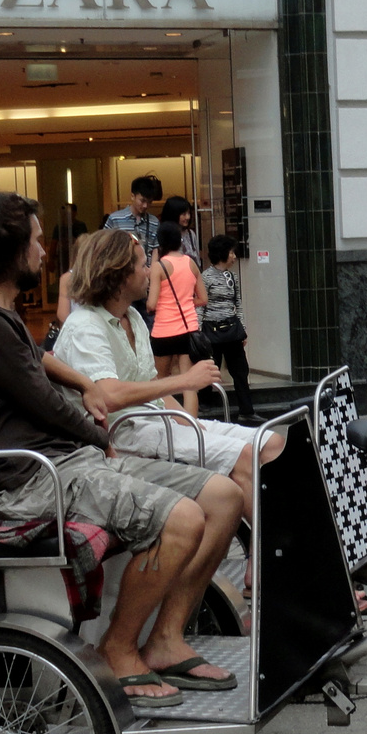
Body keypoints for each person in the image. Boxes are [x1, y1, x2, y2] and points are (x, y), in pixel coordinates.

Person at [0, 192, 241, 706]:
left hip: (69, 465)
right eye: (35, 241)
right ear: (8, 249)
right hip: (37, 480)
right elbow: (41, 402)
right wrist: (99, 433)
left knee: (224, 498)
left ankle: (166, 639)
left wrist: (84, 383)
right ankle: (119, 647)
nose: (43, 251)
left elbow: (39, 361)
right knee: (185, 519)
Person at [57, 228, 282, 530]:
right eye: (141, 264)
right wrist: (184, 381)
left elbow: (150, 384)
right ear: (119, 274)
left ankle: (277, 545)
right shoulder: (85, 325)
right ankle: (267, 558)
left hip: (154, 422)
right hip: (123, 436)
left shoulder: (133, 318)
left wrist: (187, 421)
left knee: (273, 443)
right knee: (244, 456)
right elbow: (107, 396)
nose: (149, 270)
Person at [147, 223, 208, 418]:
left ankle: (166, 422)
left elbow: (151, 304)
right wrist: (187, 303)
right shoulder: (191, 263)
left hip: (163, 331)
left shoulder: (159, 267)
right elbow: (203, 299)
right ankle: (191, 425)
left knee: (160, 382)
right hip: (189, 329)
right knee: (189, 384)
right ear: (180, 241)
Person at [202, 234, 260, 425]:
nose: (234, 256)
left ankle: (246, 410)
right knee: (211, 369)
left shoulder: (232, 277)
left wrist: (242, 328)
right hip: (212, 330)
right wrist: (198, 331)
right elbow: (200, 306)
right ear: (222, 253)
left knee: (241, 370)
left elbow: (238, 304)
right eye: (232, 252)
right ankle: (204, 406)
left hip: (232, 329)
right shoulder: (205, 277)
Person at [103, 176, 162, 266]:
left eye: (149, 202)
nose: (145, 205)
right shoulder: (115, 218)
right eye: (142, 201)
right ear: (132, 196)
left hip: (146, 273)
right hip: (122, 272)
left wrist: (152, 271)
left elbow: (155, 249)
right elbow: (104, 245)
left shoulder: (154, 222)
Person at [159, 196, 199, 265]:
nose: (187, 217)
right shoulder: (165, 235)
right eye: (184, 214)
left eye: (189, 213)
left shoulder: (190, 234)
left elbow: (197, 260)